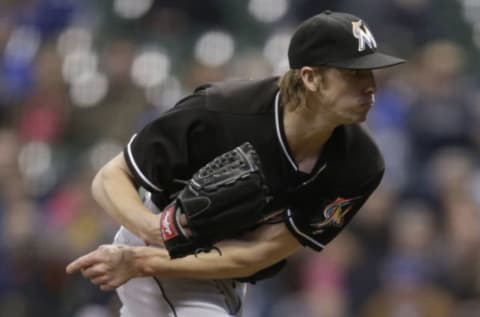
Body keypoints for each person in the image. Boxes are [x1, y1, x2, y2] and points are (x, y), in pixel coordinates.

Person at [66, 10, 405, 317]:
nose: (371, 87)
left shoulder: (360, 166)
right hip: (161, 243)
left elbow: (260, 253)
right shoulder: (221, 112)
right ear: (311, 78)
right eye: (353, 74)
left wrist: (139, 263)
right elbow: (110, 176)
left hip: (221, 270)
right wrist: (149, 233)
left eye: (371, 73)